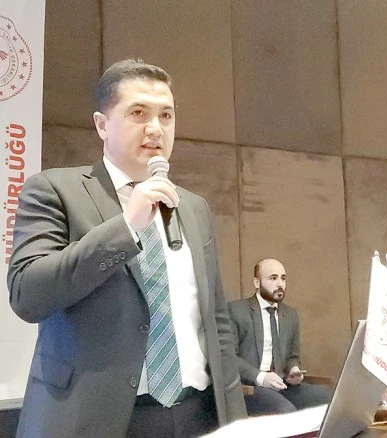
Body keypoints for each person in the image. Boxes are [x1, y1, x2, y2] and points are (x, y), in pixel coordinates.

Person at [7, 59, 246, 437]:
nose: (155, 128)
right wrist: (126, 226)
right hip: (95, 419)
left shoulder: (193, 207)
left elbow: (216, 322)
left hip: (195, 413)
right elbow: (28, 294)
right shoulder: (54, 190)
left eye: (166, 115)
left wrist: (235, 421)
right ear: (102, 125)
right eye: (138, 113)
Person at [228, 258, 330, 415]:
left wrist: (293, 369)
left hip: (282, 384)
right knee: (285, 411)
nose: (280, 284)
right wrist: (261, 377)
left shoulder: (290, 315)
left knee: (330, 401)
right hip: (250, 387)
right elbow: (228, 358)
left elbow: (292, 357)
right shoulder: (236, 311)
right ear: (257, 282)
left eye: (283, 278)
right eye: (273, 278)